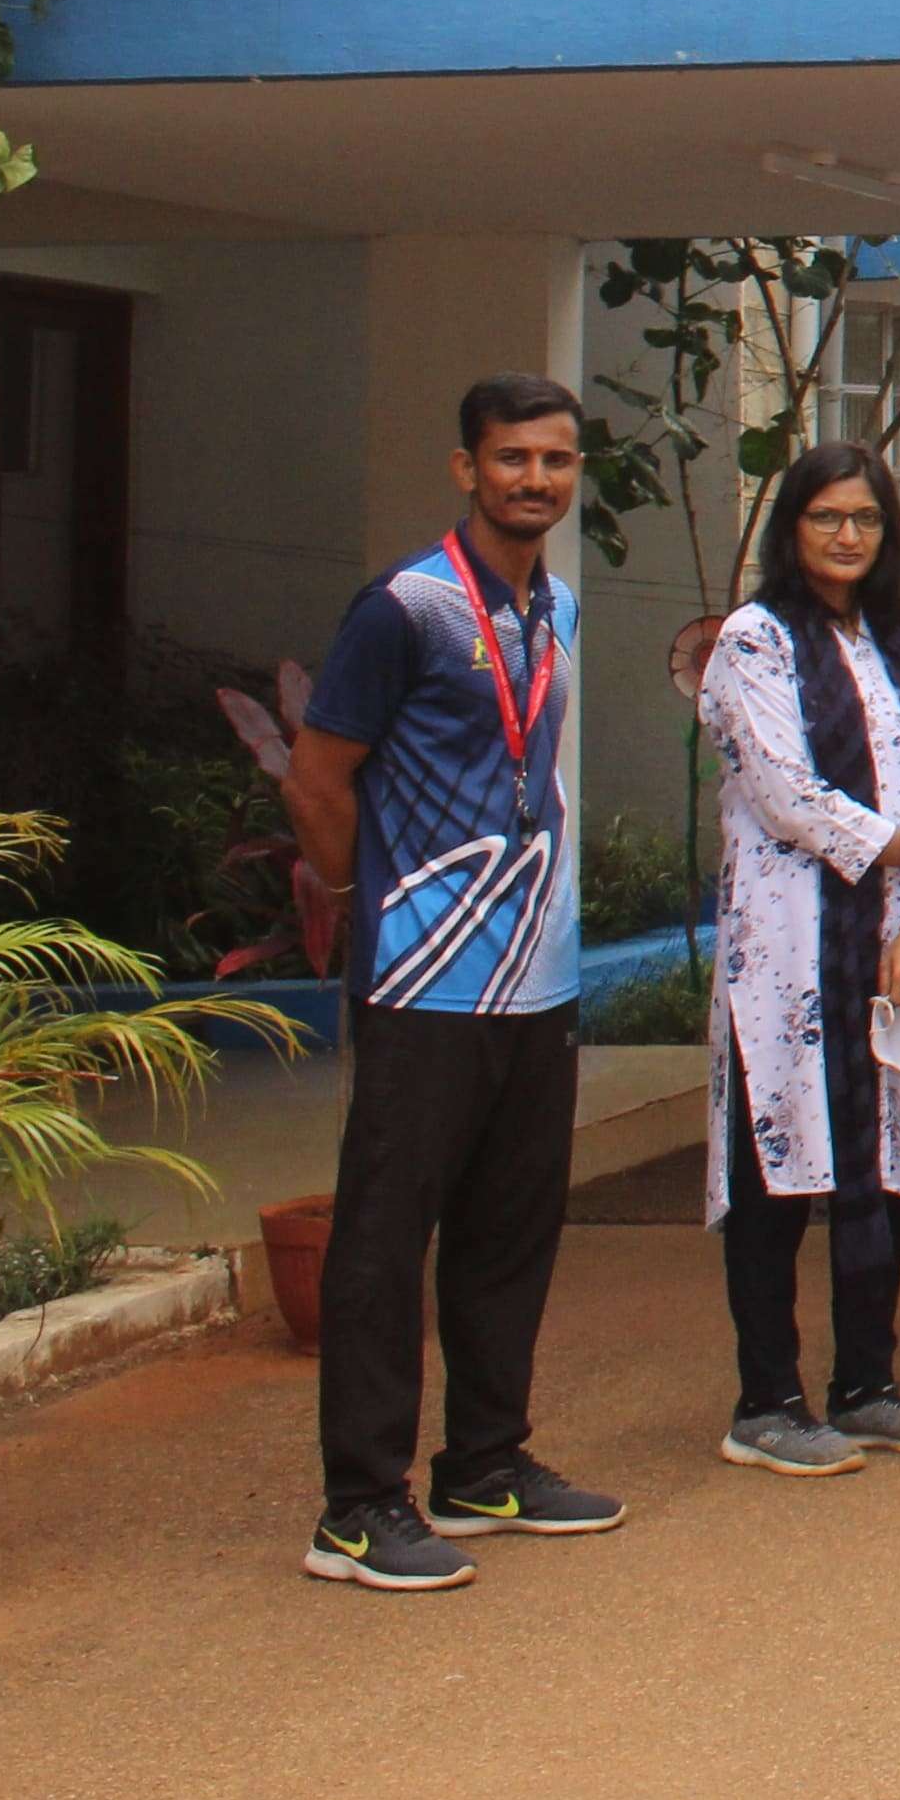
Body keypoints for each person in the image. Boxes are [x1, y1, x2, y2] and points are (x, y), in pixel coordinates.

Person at [289, 376, 627, 1590]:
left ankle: (484, 1464)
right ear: (464, 466)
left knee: (509, 1232)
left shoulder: (560, 609)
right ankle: (356, 1506)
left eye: (555, 459)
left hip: (536, 979)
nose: (534, 478)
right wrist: (354, 902)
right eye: (511, 458)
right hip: (425, 979)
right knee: (385, 1243)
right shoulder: (406, 609)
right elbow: (320, 777)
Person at [694, 446, 900, 1476]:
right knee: (778, 1166)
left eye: (864, 517)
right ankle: (766, 1399)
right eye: (826, 517)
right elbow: (784, 790)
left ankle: (867, 1384)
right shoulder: (754, 640)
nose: (847, 535)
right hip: (785, 952)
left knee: (883, 1159)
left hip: (887, 944)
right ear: (793, 528)